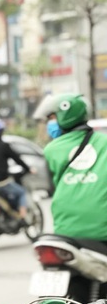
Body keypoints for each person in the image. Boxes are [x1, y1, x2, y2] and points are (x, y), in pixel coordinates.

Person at [43, 93, 107, 242]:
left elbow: (51, 188)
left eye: (52, 118)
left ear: (65, 116)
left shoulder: (50, 150)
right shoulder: (104, 142)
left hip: (65, 231)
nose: (50, 123)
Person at [0, 118, 36, 224]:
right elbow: (17, 159)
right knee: (21, 192)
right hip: (1, 182)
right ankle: (23, 217)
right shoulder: (3, 146)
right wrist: (29, 169)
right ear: (1, 131)